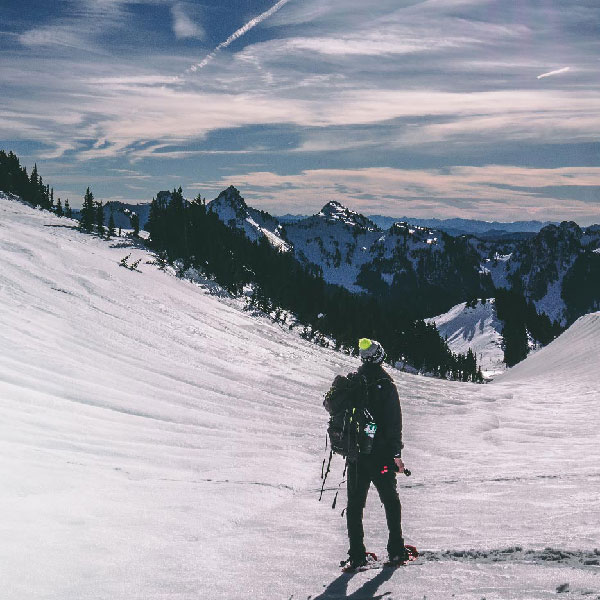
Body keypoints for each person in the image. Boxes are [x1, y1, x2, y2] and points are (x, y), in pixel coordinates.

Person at [341, 338, 407, 572]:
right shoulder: (385, 384)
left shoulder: (353, 382)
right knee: (390, 500)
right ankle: (396, 549)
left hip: (356, 457)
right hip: (380, 456)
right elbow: (393, 424)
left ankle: (357, 555)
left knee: (355, 505)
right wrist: (396, 455)